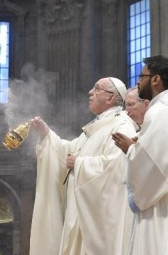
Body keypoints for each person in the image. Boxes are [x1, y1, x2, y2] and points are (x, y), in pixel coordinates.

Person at [29, 77, 137, 255]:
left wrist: (79, 164)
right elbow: (69, 152)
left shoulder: (122, 126)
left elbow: (116, 168)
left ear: (110, 98)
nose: (90, 92)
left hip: (100, 223)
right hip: (81, 215)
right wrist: (47, 135)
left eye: (96, 89)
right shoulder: (97, 127)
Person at [112, 56, 168, 255]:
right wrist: (140, 145)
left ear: (155, 79)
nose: (137, 81)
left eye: (141, 76)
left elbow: (155, 167)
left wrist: (131, 150)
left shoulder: (160, 112)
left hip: (161, 214)